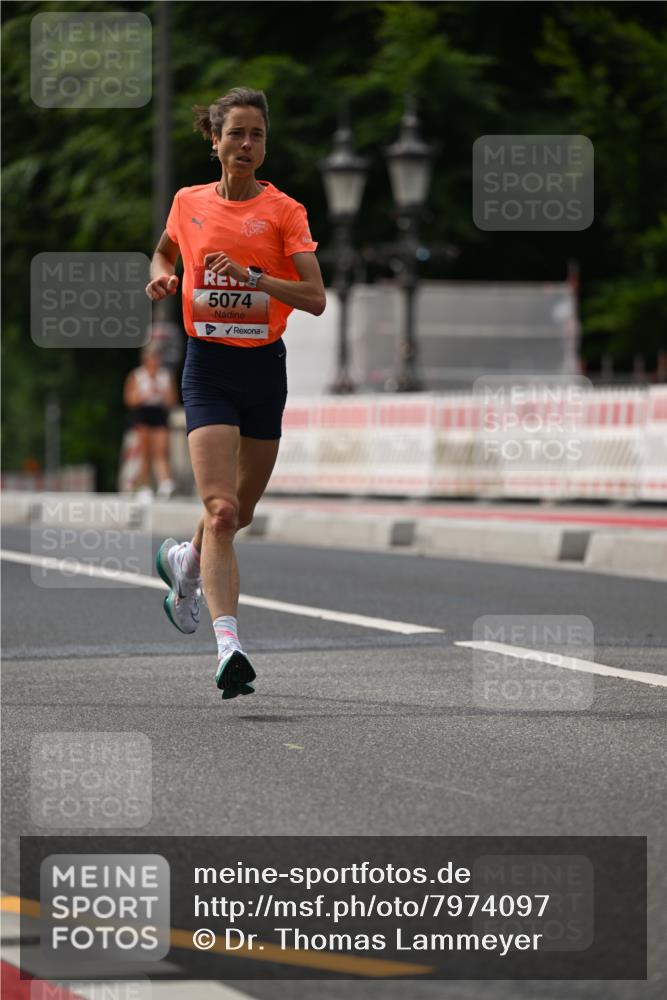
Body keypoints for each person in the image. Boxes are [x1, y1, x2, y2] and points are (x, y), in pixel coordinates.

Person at [145, 87, 326, 700]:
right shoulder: (188, 201)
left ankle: (184, 562)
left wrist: (255, 277)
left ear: (265, 145)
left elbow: (315, 298)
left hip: (264, 370)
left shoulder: (285, 212)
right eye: (236, 134)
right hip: (208, 368)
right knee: (221, 511)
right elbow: (164, 252)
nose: (247, 145)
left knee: (240, 513)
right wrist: (163, 277)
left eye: (257, 135)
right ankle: (229, 648)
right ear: (216, 140)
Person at [123, 343, 178, 500]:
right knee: (144, 453)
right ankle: (144, 486)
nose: (154, 361)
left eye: (156, 358)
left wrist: (161, 394)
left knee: (161, 450)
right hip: (142, 414)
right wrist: (143, 395)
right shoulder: (137, 375)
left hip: (159, 413)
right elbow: (129, 399)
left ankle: (165, 483)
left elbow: (172, 400)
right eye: (151, 358)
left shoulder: (165, 375)